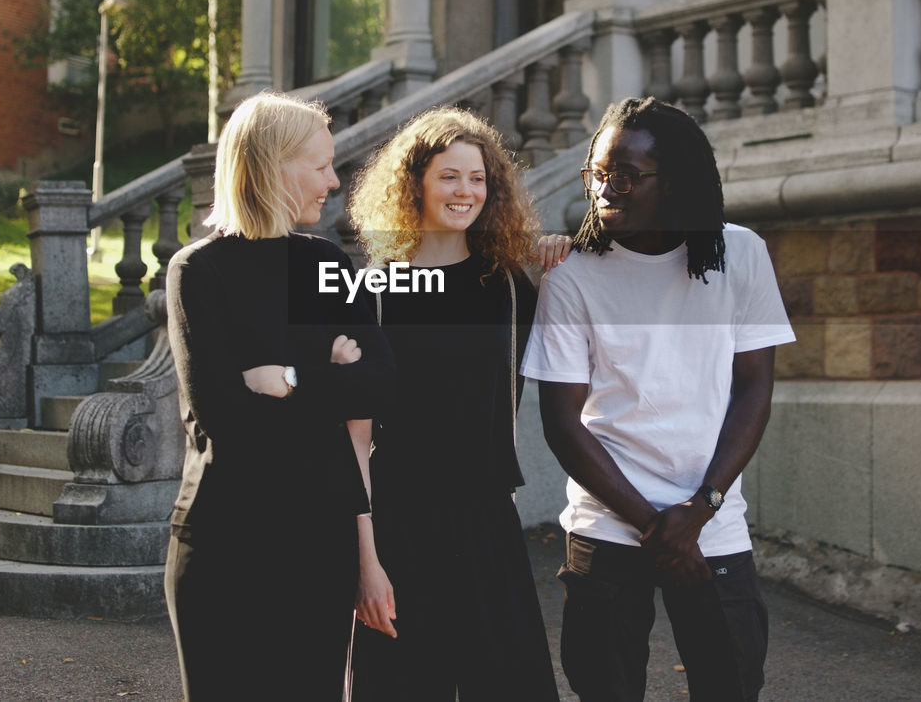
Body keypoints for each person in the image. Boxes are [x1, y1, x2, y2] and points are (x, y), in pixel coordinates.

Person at [521, 97, 795, 702]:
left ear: (672, 182)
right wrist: (658, 528)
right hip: (609, 524)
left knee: (732, 682)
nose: (603, 190)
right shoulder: (572, 276)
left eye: (623, 177)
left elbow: (754, 387)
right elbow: (563, 423)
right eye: (596, 174)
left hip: (711, 524)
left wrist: (700, 510)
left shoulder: (739, 254)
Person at [164, 92, 393, 700]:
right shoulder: (197, 271)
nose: (334, 180)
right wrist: (328, 370)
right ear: (270, 166)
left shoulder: (326, 261)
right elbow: (223, 415)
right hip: (224, 542)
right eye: (320, 166)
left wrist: (285, 378)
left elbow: (378, 384)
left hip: (318, 543)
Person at [344, 106, 562, 701]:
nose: (465, 191)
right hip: (398, 527)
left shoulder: (510, 288)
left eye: (478, 178)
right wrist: (366, 564)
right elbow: (355, 441)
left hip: (486, 520)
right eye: (449, 176)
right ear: (414, 182)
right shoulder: (376, 292)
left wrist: (567, 256)